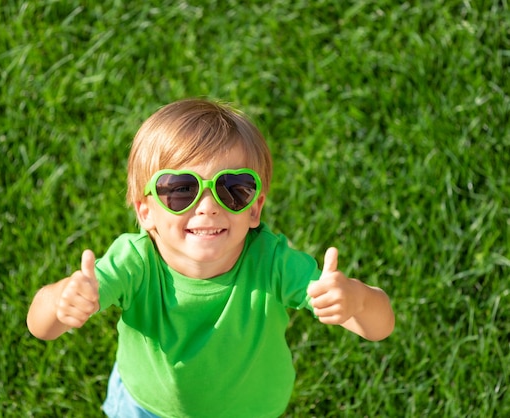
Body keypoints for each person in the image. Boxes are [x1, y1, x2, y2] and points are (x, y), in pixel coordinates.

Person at [27, 98, 395, 418]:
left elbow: (380, 327)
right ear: (145, 212)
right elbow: (40, 327)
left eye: (233, 189)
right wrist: (63, 301)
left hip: (249, 411)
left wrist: (355, 299)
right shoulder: (134, 263)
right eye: (181, 190)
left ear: (255, 209)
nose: (209, 207)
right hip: (145, 407)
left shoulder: (272, 263)